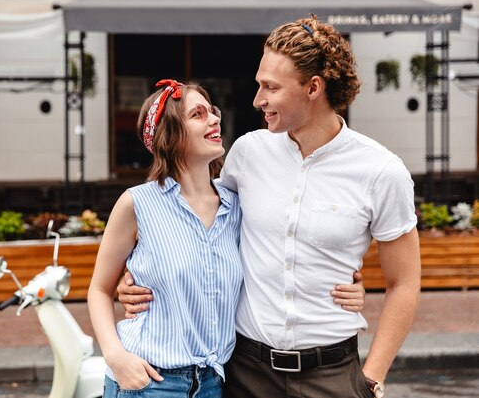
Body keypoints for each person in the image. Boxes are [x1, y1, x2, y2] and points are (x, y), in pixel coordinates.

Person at [117, 14, 421, 398]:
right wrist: (135, 277)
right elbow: (196, 222)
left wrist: (372, 378)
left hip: (332, 375)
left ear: (313, 87)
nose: (257, 99)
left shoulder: (381, 171)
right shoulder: (247, 152)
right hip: (245, 373)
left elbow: (405, 283)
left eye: (270, 87)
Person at [89, 79, 364, 398]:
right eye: (198, 114)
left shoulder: (237, 206)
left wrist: (353, 282)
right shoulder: (137, 204)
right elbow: (99, 288)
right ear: (169, 134)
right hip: (149, 381)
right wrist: (115, 357)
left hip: (215, 383)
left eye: (213, 111)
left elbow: (286, 250)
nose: (214, 118)